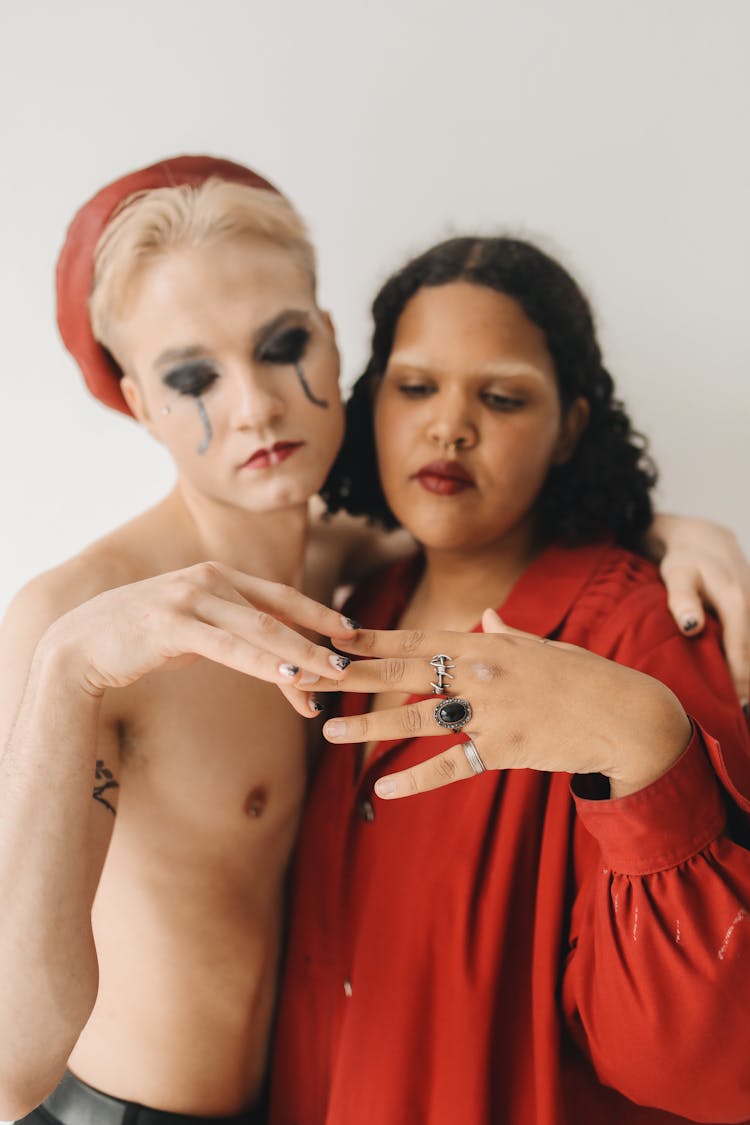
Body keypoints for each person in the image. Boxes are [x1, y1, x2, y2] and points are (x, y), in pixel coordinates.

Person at [0, 158, 747, 1125]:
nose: (257, 404)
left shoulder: (351, 579)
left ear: (332, 338)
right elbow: (10, 1062)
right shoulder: (83, 617)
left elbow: (500, 517)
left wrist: (674, 531)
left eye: (281, 345)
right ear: (139, 401)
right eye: (193, 376)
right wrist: (66, 668)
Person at [269, 236, 750, 1124]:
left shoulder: (640, 628)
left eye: (501, 396)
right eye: (415, 387)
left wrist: (641, 743)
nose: (450, 425)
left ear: (570, 424)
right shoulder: (351, 608)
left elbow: (711, 1059)